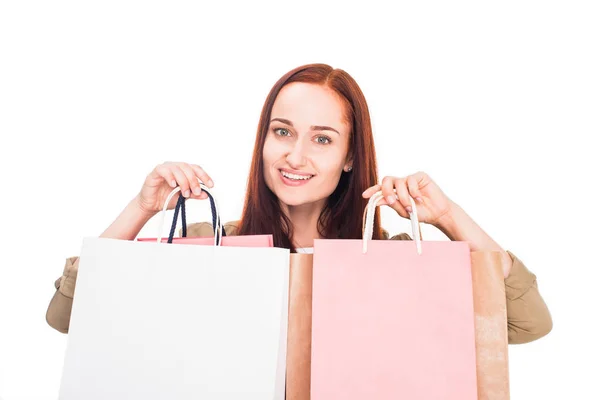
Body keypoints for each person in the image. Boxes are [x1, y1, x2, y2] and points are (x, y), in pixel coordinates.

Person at [46, 63, 552, 344]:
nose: (295, 155)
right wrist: (141, 208)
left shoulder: (391, 260)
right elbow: (69, 316)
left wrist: (447, 217)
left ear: (351, 156)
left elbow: (526, 321)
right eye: (282, 131)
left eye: (323, 139)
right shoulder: (210, 248)